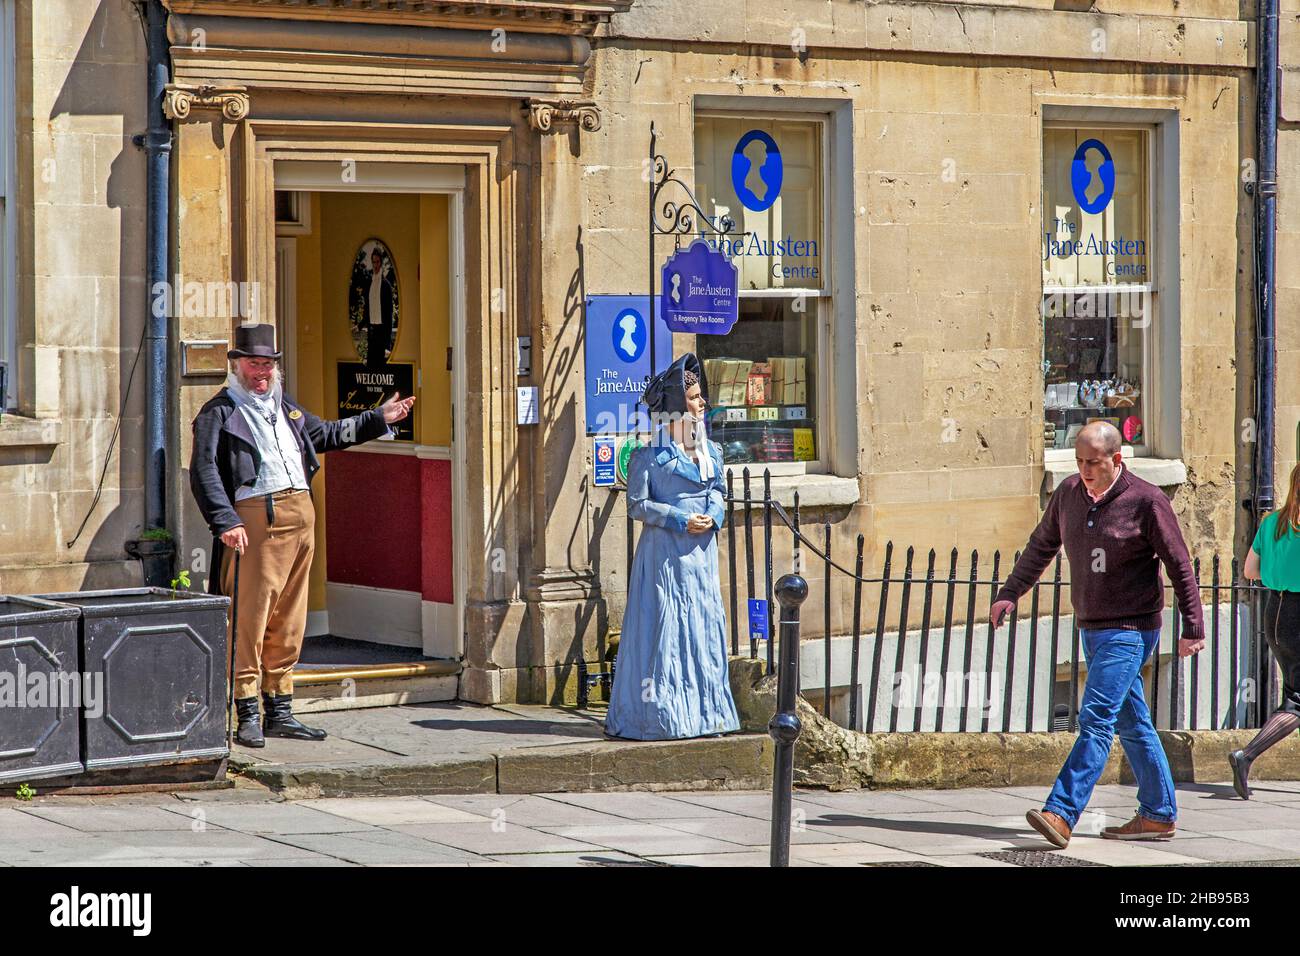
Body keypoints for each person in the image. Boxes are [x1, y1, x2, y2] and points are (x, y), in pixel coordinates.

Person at [189, 323, 415, 748]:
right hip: (256, 519)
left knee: (290, 619)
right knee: (249, 618)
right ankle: (247, 711)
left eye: (268, 365)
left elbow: (326, 434)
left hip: (300, 516)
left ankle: (281, 710)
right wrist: (226, 521)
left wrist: (378, 419)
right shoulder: (218, 412)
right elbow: (203, 472)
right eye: (255, 364)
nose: (262, 372)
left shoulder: (284, 407)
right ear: (237, 366)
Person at [990, 421, 1205, 847]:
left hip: (1131, 628)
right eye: (1080, 462)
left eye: (1094, 462)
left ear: (1116, 459)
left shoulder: (1147, 501)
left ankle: (1062, 812)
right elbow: (1040, 546)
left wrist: (1193, 625)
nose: (1085, 470)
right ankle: (1159, 814)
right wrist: (1010, 593)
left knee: (1096, 718)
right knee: (1134, 723)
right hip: (1092, 625)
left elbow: (1180, 564)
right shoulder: (1069, 493)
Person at [605, 353, 740, 741]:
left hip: (701, 556)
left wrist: (713, 516)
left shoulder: (711, 452)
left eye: (700, 397)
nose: (702, 405)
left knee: (702, 627)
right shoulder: (649, 457)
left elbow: (719, 491)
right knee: (666, 627)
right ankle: (662, 717)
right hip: (665, 556)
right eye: (696, 398)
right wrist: (680, 519)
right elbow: (637, 505)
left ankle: (708, 714)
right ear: (678, 408)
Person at [1230, 464, 1300, 799]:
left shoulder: (1271, 522)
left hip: (1276, 612)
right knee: (1298, 701)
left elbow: (1250, 571)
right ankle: (1247, 755)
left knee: (1294, 692)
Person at [363, 247, 396, 366]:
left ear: (381, 262)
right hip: (372, 331)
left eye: (377, 262)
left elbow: (389, 314)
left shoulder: (386, 285)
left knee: (381, 366)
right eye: (373, 262)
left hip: (382, 331)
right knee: (371, 365)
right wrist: (361, 324)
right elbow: (367, 308)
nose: (375, 265)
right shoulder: (369, 283)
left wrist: (387, 344)